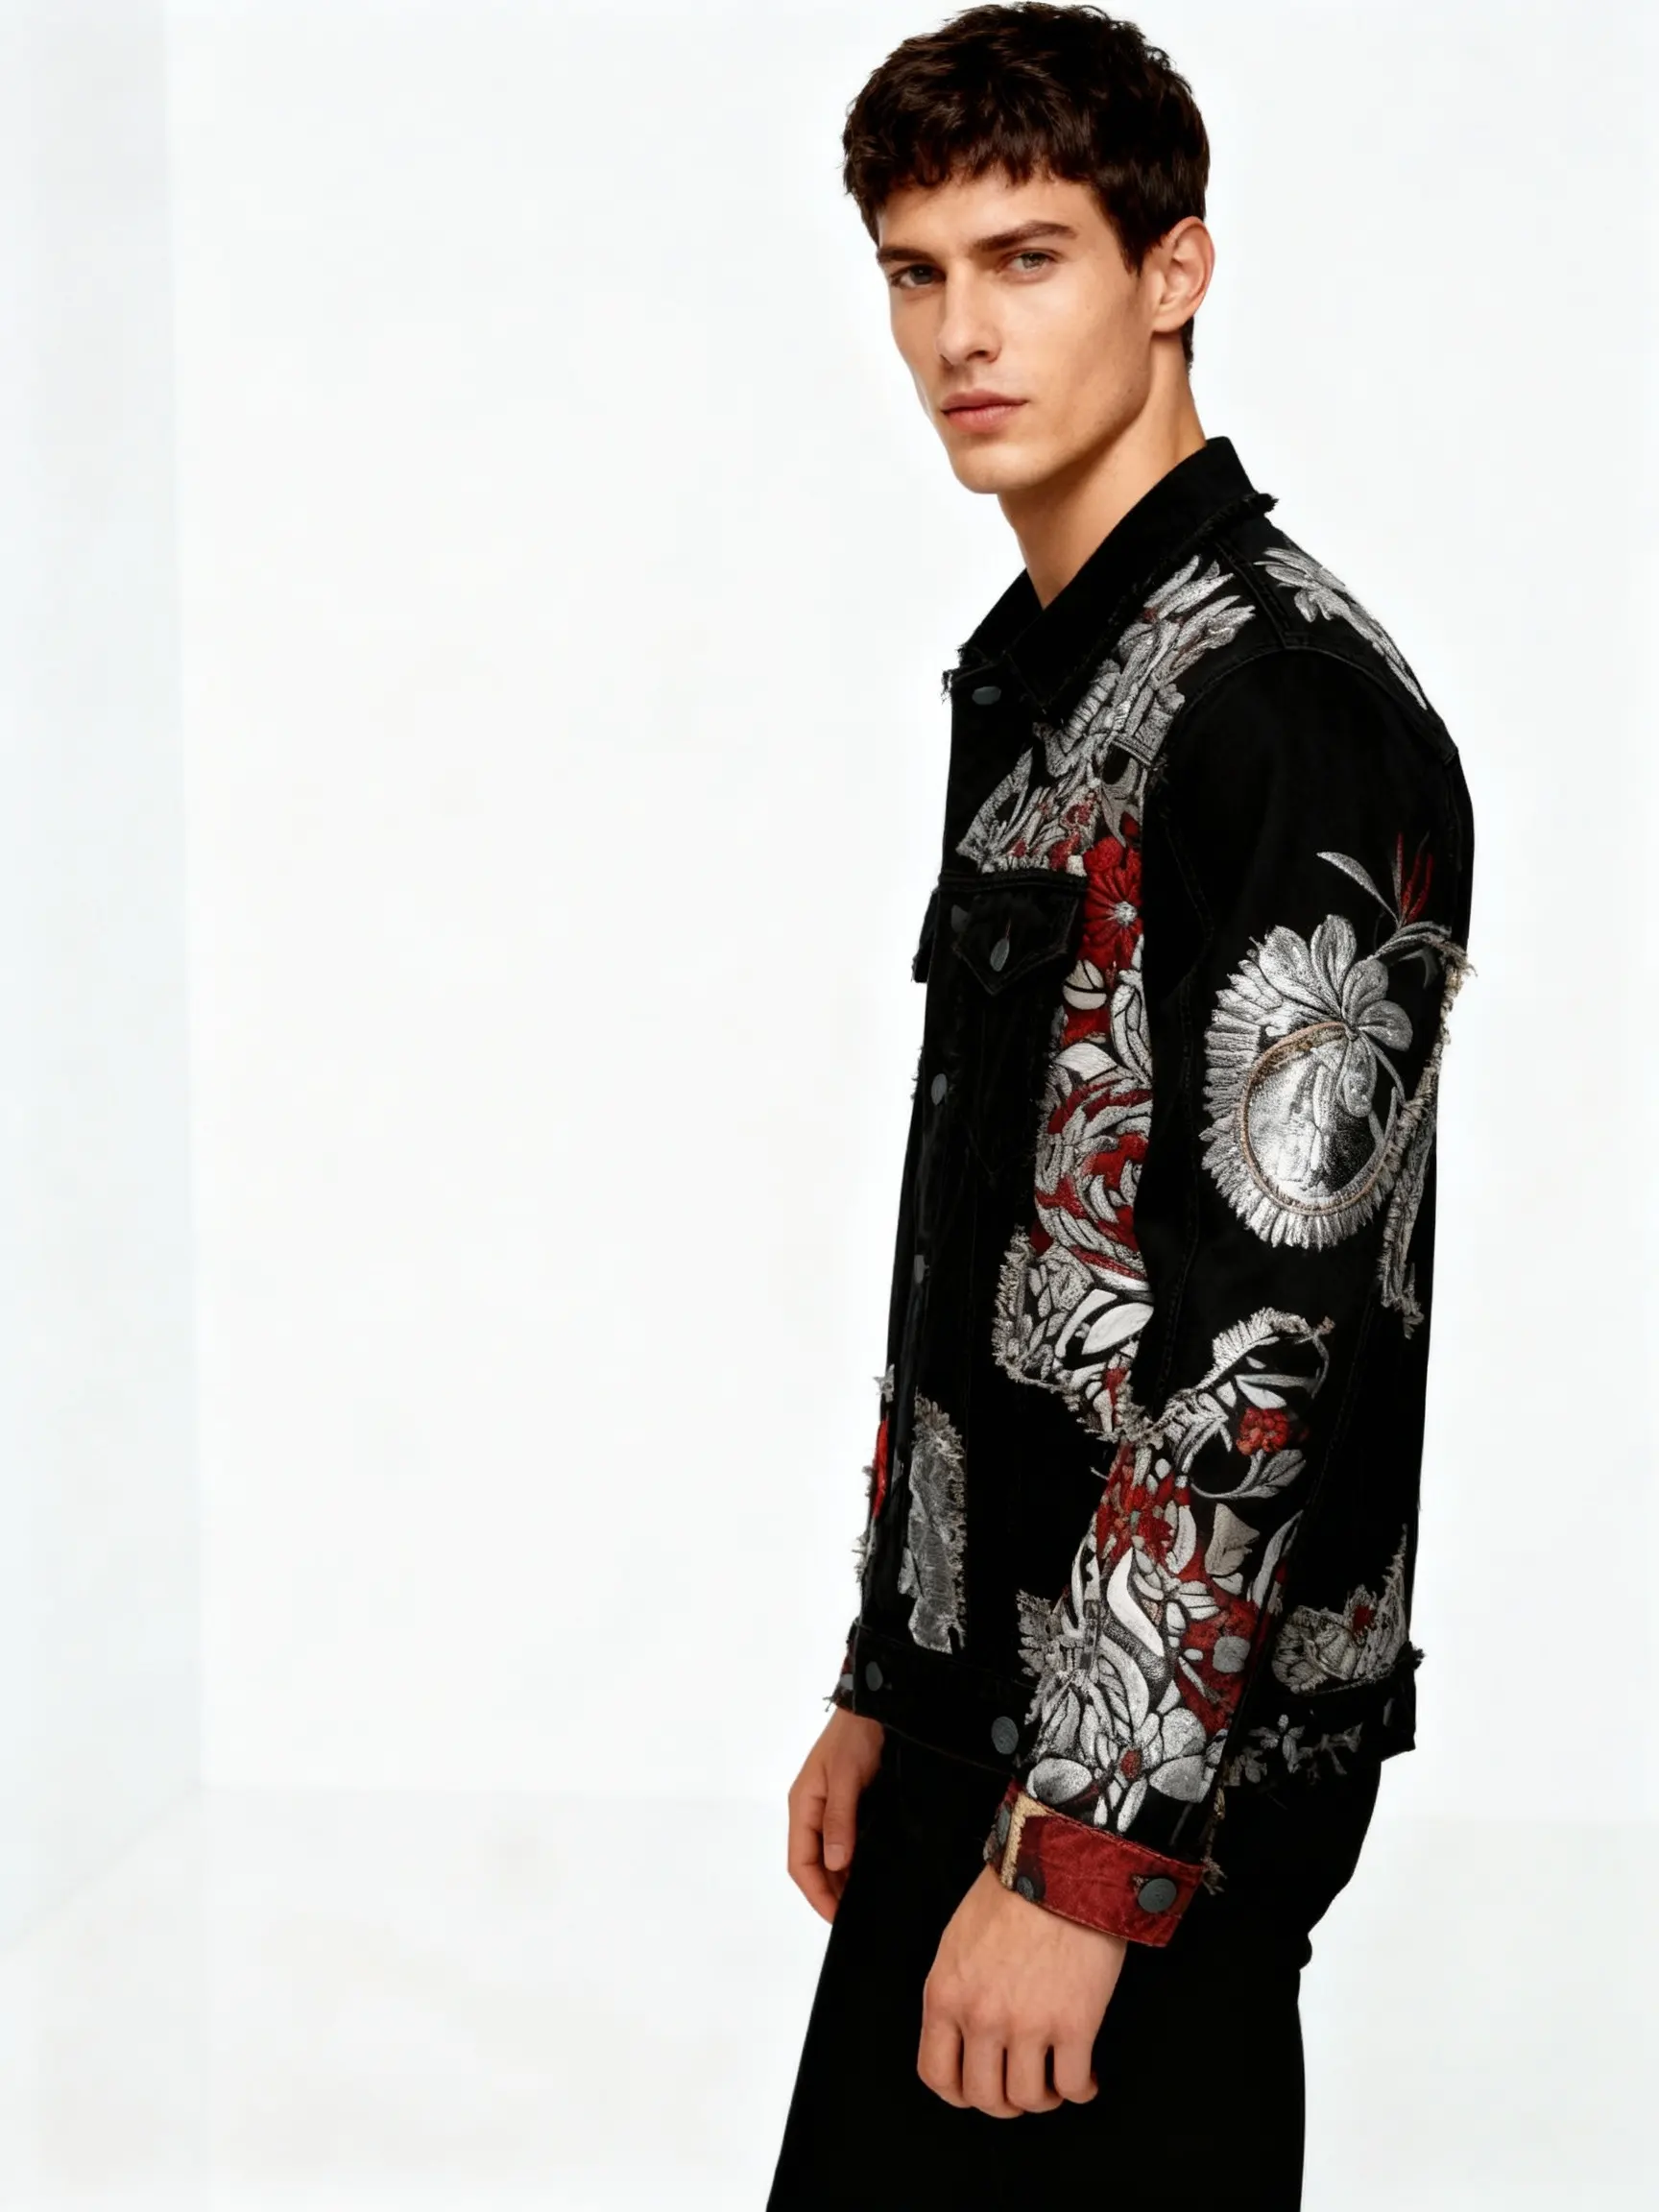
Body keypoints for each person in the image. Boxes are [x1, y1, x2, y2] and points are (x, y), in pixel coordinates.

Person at [766, 7, 1476, 2207]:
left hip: (1152, 1792)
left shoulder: (1281, 712)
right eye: (915, 273)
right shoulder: (1049, 676)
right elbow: (1004, 1239)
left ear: (1175, 271)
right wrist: (893, 1671)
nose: (958, 336)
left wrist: (1087, 1858)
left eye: (1027, 259)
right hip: (990, 1716)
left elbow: (1273, 1337)